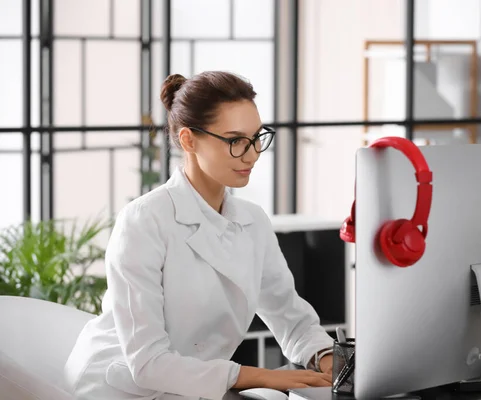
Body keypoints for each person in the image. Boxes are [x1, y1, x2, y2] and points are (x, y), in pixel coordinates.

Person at [64, 71, 335, 400]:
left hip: (199, 384)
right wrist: (261, 377)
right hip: (122, 387)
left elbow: (289, 315)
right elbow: (148, 363)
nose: (251, 155)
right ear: (188, 140)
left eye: (256, 137)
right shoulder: (143, 221)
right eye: (235, 141)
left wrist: (326, 357)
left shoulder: (253, 221)